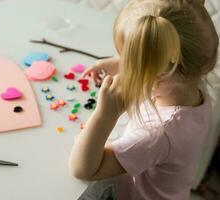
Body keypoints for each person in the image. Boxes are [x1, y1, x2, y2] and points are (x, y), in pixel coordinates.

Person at [69, 0, 219, 199]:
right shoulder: (194, 86)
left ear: (156, 74)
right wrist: (121, 64)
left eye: (131, 60)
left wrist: (105, 115)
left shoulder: (155, 135)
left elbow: (83, 169)